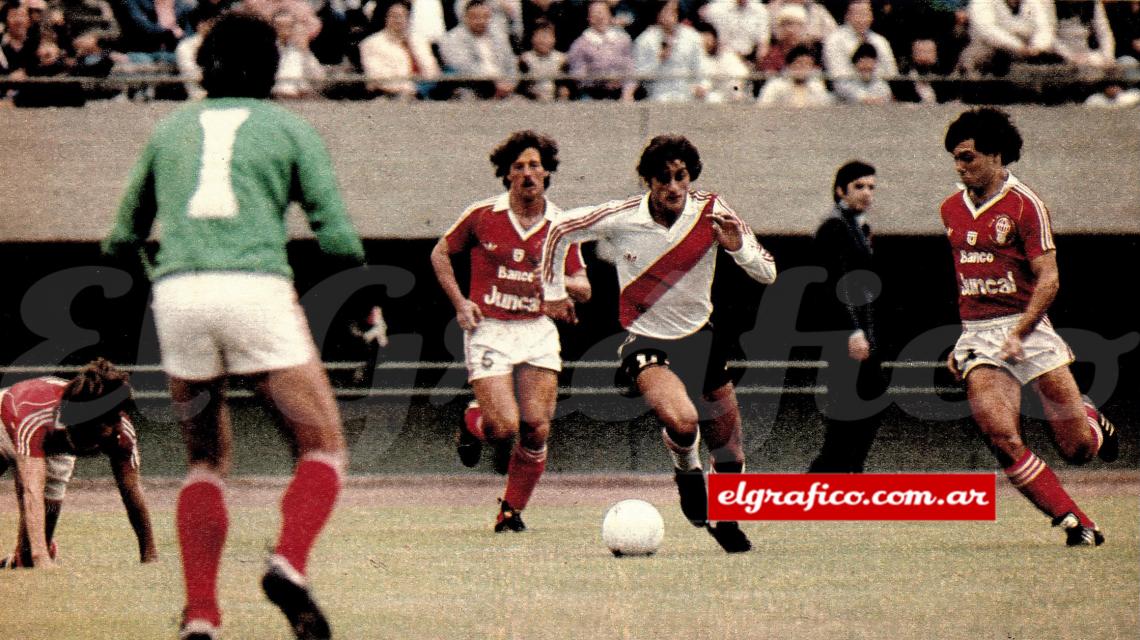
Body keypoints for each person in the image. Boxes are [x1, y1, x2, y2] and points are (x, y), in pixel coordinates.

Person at [102, 12, 383, 639]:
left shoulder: (169, 128)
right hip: (255, 288)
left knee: (205, 459)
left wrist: (163, 271)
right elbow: (335, 236)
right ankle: (287, 563)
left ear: (204, 66)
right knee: (322, 446)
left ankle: (201, 615)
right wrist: (366, 305)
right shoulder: (288, 127)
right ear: (271, 64)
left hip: (178, 295)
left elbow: (119, 239)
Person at [542, 135, 777, 553]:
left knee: (730, 451)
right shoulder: (621, 216)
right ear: (648, 181)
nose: (673, 187)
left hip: (701, 339)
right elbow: (559, 227)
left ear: (691, 177)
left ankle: (727, 522)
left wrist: (738, 248)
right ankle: (686, 470)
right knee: (684, 422)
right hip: (645, 340)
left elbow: (768, 272)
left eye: (681, 177)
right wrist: (553, 289)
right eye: (663, 178)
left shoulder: (712, 211)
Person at [940, 108, 1119, 547]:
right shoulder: (950, 208)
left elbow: (1050, 278)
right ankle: (1075, 522)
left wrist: (1020, 331)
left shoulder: (1025, 205)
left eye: (968, 158)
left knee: (1077, 450)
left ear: (997, 156)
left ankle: (1092, 420)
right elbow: (967, 276)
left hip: (1029, 330)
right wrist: (964, 336)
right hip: (981, 336)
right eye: (956, 159)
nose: (960, 167)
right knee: (1001, 436)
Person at [430, 130, 590, 532]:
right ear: (506, 176)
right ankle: (473, 421)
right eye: (518, 167)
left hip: (536, 329)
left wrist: (558, 283)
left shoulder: (561, 225)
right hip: (491, 331)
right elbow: (440, 254)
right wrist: (460, 303)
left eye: (535, 165)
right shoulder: (484, 215)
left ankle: (510, 512)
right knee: (503, 429)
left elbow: (584, 286)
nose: (527, 173)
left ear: (548, 172)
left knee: (536, 426)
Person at [0, 359, 157, 569]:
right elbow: (31, 489)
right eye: (89, 432)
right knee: (36, 556)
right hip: (8, 424)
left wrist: (150, 556)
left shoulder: (121, 432)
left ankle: (15, 560)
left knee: (26, 561)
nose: (91, 443)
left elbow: (132, 490)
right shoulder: (37, 413)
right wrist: (42, 559)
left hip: (53, 444)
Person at [807, 161, 887, 473]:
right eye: (859, 186)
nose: (867, 193)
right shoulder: (834, 228)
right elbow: (830, 285)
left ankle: (845, 472)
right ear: (841, 190)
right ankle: (827, 477)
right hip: (845, 336)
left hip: (862, 334)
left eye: (871, 187)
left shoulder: (857, 228)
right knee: (851, 407)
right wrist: (852, 332)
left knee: (866, 402)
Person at [359, 0, 441, 99]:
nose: (398, 20)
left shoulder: (419, 40)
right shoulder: (370, 44)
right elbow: (378, 78)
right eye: (394, 16)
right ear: (385, 18)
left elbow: (432, 70)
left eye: (403, 15)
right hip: (390, 95)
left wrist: (419, 88)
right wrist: (411, 89)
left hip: (423, 91)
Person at [438, 0, 518, 99]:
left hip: (503, 87)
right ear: (465, 18)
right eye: (475, 17)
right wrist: (493, 83)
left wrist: (510, 84)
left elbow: (511, 63)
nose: (481, 21)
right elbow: (461, 66)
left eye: (485, 17)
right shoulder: (451, 38)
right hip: (470, 87)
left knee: (522, 103)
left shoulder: (499, 37)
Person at [632, 0, 706, 102]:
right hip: (658, 94)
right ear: (658, 13)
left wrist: (702, 85)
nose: (672, 15)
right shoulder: (645, 40)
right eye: (667, 10)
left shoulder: (692, 36)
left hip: (687, 92)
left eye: (674, 10)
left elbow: (701, 66)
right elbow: (639, 75)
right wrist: (658, 60)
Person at [565, 0, 636, 101]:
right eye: (595, 14)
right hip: (592, 93)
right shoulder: (579, 45)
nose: (599, 17)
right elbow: (578, 76)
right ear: (588, 18)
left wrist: (627, 92)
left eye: (602, 12)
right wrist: (602, 82)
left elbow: (631, 69)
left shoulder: (624, 39)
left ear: (610, 16)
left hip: (620, 91)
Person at [821, 0, 898, 85]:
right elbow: (839, 77)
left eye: (866, 14)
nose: (862, 19)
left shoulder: (880, 41)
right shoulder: (834, 39)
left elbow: (892, 74)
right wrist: (862, 97)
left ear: (871, 16)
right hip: (843, 95)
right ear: (847, 15)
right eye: (857, 14)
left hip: (881, 93)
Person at [756, 43, 833, 107]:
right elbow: (763, 106)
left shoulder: (816, 86)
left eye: (807, 64)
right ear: (789, 65)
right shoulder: (775, 85)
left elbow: (824, 107)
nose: (803, 68)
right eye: (799, 63)